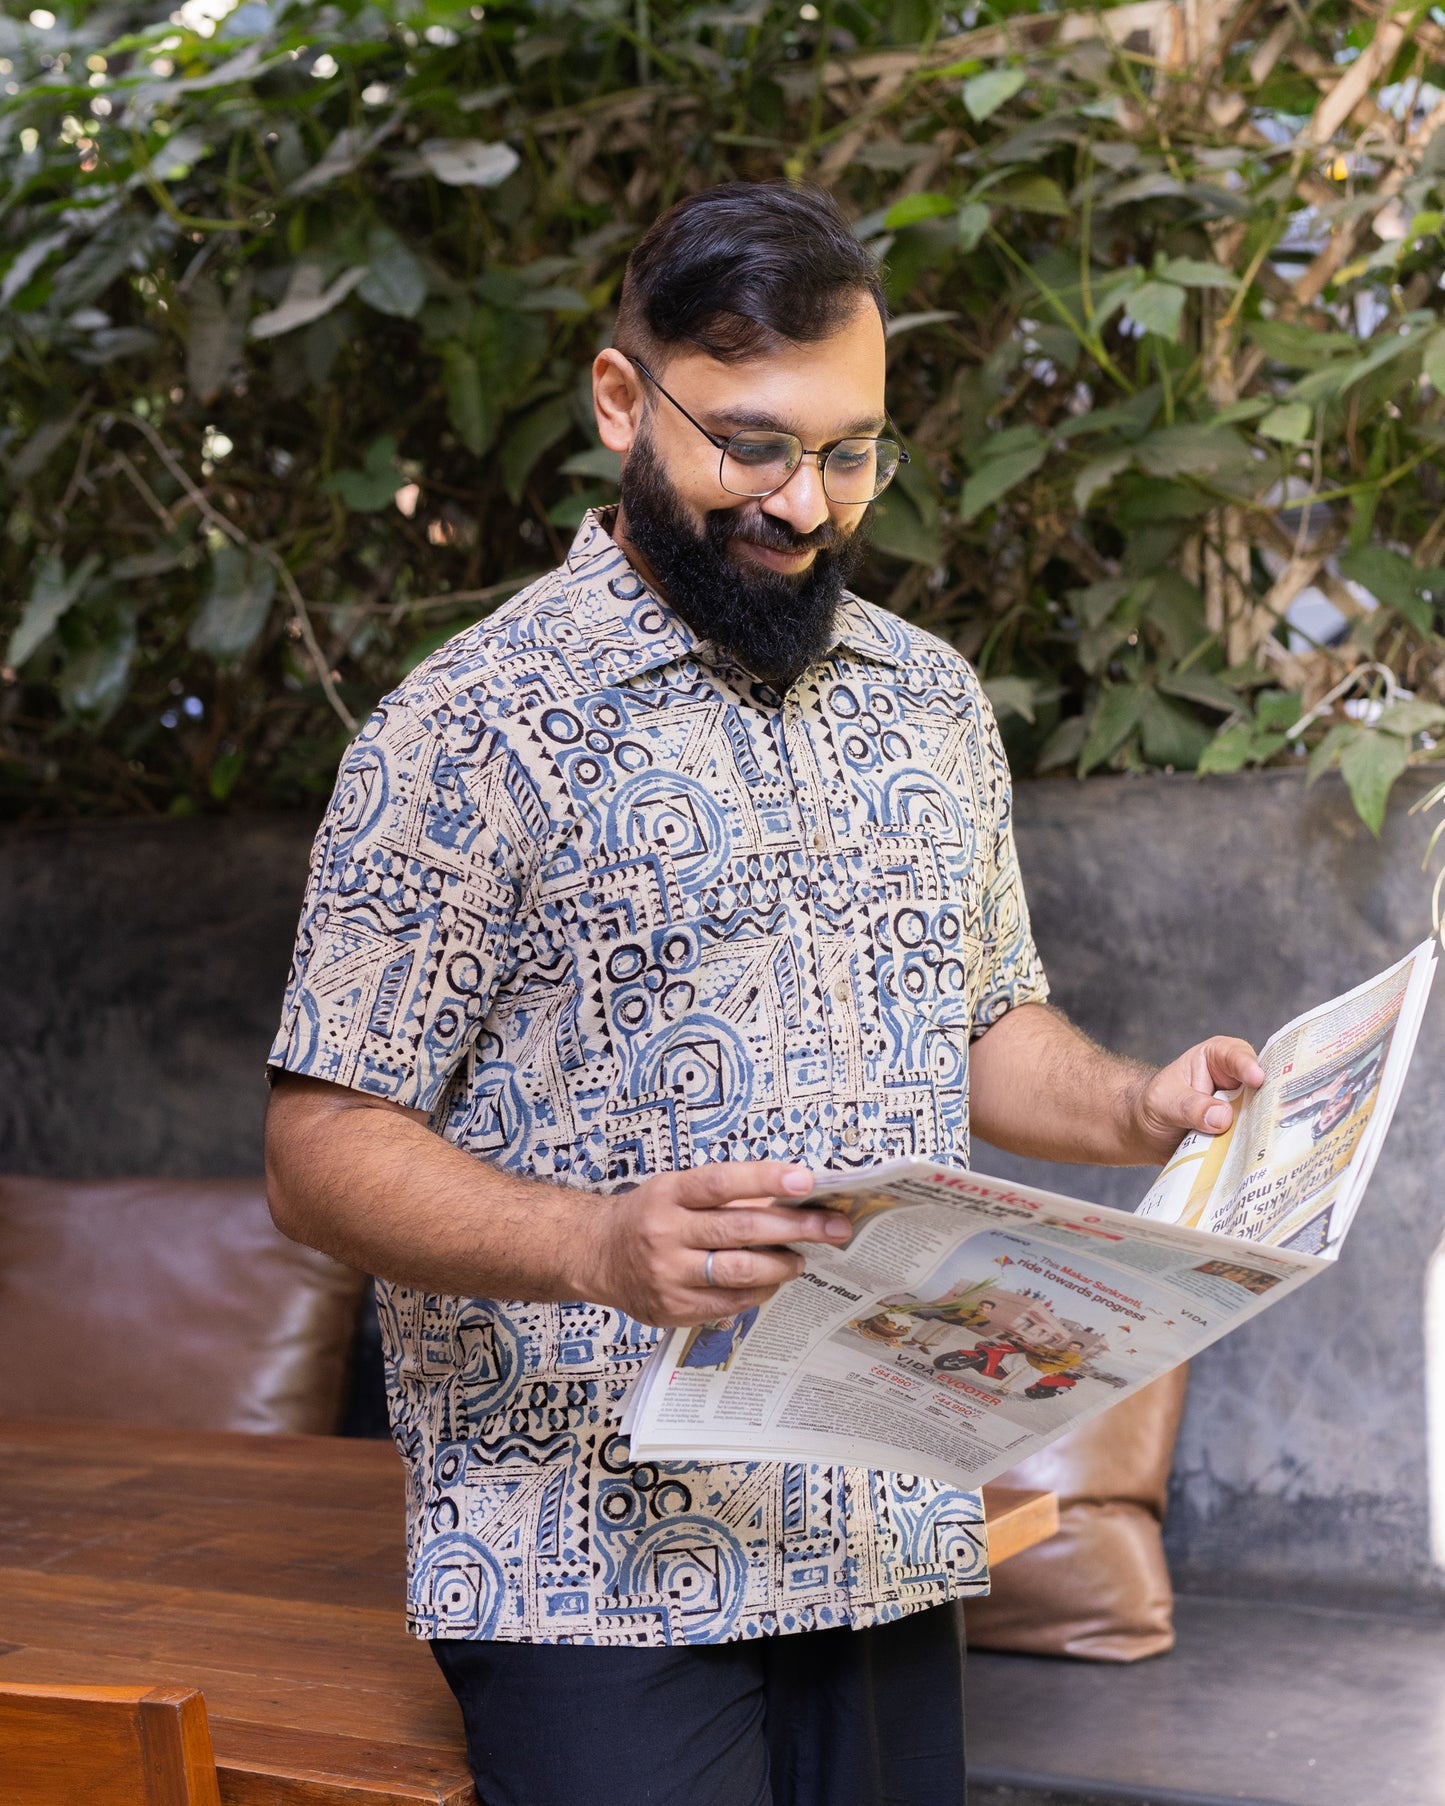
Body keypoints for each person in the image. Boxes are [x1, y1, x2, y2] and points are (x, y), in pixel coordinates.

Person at [263, 180, 1265, 1806]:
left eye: (849, 451)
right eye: (748, 443)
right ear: (617, 401)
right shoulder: (459, 733)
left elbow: (981, 1022)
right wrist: (594, 1243)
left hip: (879, 1522)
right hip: (583, 1566)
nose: (802, 501)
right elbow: (318, 1148)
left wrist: (1135, 1105)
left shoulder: (930, 706)